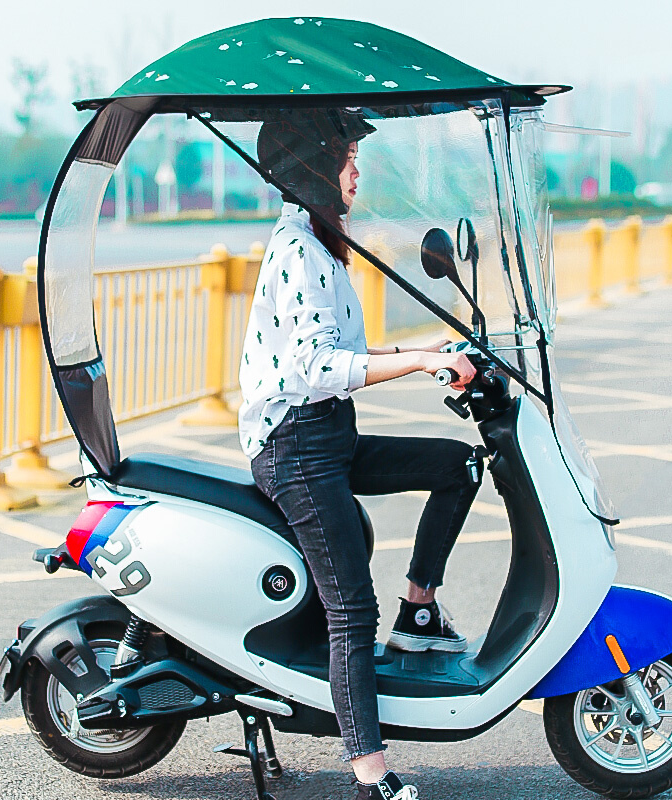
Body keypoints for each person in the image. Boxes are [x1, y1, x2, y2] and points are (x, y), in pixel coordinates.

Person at [238, 112, 479, 800]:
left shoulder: (321, 242)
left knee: (456, 464)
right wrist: (418, 363)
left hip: (327, 434)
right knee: (351, 610)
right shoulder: (299, 252)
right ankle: (370, 772)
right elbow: (318, 368)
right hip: (295, 446)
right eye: (347, 157)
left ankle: (421, 613)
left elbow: (343, 359)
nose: (357, 170)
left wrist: (433, 351)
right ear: (317, 166)